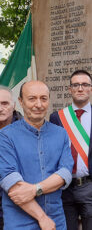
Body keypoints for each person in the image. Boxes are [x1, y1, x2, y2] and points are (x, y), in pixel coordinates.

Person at [0, 81, 73, 230]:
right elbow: (13, 185)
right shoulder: (5, 137)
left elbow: (65, 174)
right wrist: (42, 218)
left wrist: (35, 189)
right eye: (32, 98)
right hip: (19, 223)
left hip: (56, 220)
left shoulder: (61, 134)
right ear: (20, 101)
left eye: (43, 98)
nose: (38, 104)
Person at [50, 69, 92, 230]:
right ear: (70, 89)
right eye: (76, 85)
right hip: (64, 187)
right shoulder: (57, 118)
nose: (80, 88)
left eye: (85, 85)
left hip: (91, 186)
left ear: (91, 89)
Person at [0, 86, 22, 230]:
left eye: (5, 103)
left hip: (17, 205)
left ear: (13, 105)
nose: (0, 108)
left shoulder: (26, 130)